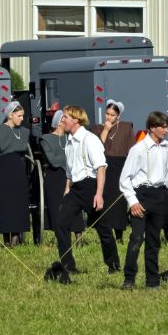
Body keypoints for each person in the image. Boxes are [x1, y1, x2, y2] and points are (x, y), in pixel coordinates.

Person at [119, 112, 168, 290]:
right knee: (136, 238)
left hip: (160, 196)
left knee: (154, 240)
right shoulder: (138, 149)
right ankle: (129, 278)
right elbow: (124, 179)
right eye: (162, 126)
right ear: (152, 127)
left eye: (167, 126)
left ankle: (152, 281)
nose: (166, 130)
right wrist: (133, 201)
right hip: (141, 195)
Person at [54, 105, 118, 275]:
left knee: (103, 228)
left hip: (91, 186)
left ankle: (113, 264)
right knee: (61, 224)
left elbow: (101, 168)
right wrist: (67, 190)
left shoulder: (90, 139)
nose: (62, 120)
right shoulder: (68, 142)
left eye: (65, 117)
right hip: (75, 189)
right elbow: (70, 171)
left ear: (76, 120)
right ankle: (68, 265)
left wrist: (98, 194)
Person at [0, 101, 31, 246]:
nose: (22, 119)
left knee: (18, 202)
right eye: (19, 116)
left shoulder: (24, 131)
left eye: (23, 116)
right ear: (10, 115)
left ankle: (15, 235)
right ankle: (6, 238)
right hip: (2, 169)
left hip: (18, 168)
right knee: (5, 203)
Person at [92, 101, 134, 239]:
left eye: (112, 115)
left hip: (120, 166)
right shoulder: (98, 128)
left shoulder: (126, 128)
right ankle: (105, 231)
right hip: (104, 166)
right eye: (107, 114)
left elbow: (131, 150)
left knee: (119, 202)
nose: (109, 117)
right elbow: (97, 147)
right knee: (105, 199)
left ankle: (119, 234)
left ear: (118, 116)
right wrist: (105, 129)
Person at [38, 110, 69, 235]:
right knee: (57, 205)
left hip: (70, 175)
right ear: (59, 122)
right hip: (56, 176)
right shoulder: (46, 139)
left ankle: (78, 236)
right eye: (64, 119)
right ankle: (59, 233)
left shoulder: (70, 138)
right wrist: (66, 161)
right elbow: (53, 161)